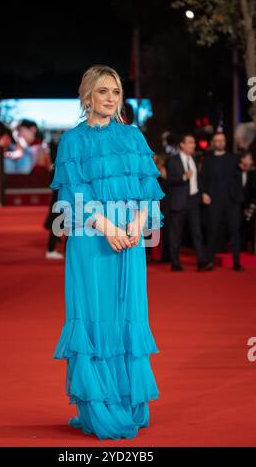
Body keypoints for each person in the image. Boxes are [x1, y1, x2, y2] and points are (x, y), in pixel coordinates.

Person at [49, 65, 165, 440]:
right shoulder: (72, 141)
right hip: (91, 235)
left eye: (115, 91)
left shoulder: (133, 137)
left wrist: (137, 222)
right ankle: (99, 407)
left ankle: (128, 401)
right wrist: (107, 226)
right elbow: (73, 194)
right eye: (102, 91)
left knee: (128, 313)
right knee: (94, 315)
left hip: (130, 238)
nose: (111, 98)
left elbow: (147, 186)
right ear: (88, 96)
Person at [201, 132, 244, 271]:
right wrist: (204, 193)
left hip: (232, 201)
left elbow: (239, 179)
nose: (220, 142)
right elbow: (202, 178)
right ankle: (210, 261)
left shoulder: (234, 158)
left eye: (222, 140)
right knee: (212, 231)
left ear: (225, 142)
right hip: (214, 200)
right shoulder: (207, 159)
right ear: (213, 143)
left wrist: (238, 196)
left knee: (235, 232)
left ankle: (236, 262)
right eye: (217, 140)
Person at [166, 134, 207, 271]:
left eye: (194, 142)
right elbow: (169, 180)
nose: (193, 145)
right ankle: (175, 263)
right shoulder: (172, 160)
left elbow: (199, 180)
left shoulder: (196, 159)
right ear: (182, 145)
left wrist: (202, 194)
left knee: (197, 232)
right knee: (176, 234)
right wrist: (184, 177)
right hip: (178, 201)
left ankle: (201, 262)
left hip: (194, 200)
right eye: (190, 142)